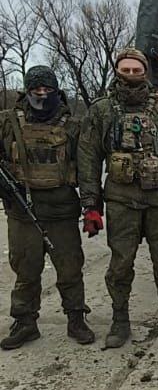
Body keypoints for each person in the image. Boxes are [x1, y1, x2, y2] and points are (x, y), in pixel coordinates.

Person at [78, 47, 158, 348]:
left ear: (145, 72)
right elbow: (88, 157)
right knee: (120, 264)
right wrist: (90, 205)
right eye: (125, 70)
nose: (130, 75)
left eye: (136, 70)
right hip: (120, 201)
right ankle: (120, 320)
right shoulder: (101, 110)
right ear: (117, 71)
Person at [0, 66, 94, 350]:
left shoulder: (72, 126)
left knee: (70, 268)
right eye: (36, 89)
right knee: (26, 270)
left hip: (61, 211)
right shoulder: (8, 123)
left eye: (47, 89)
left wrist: (91, 206)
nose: (41, 94)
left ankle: (76, 319)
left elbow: (87, 168)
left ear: (56, 90)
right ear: (26, 91)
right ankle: (25, 322)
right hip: (22, 212)